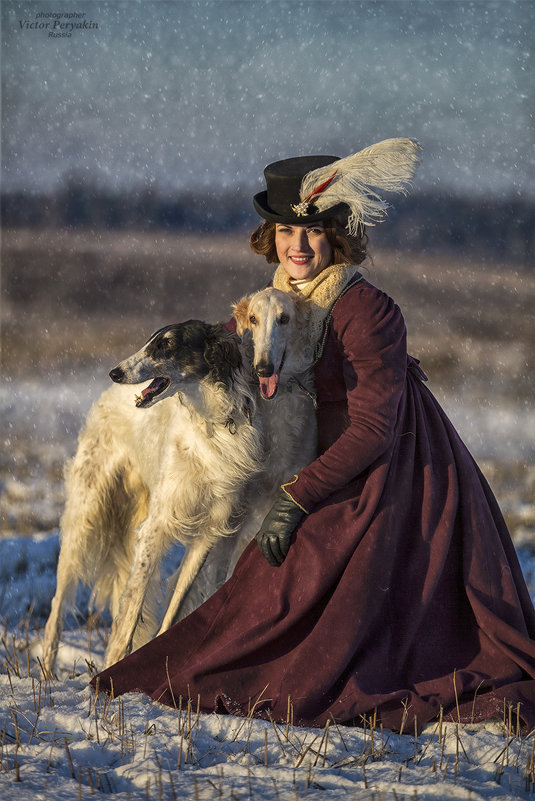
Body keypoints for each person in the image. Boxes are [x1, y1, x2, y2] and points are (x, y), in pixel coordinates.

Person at [93, 138, 535, 732]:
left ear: (337, 235)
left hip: (387, 474)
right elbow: (221, 360)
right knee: (258, 575)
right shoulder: (263, 306)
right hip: (312, 463)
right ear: (269, 237)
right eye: (285, 232)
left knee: (300, 599)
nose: (297, 246)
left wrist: (298, 497)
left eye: (313, 232)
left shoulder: (367, 311)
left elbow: (375, 428)